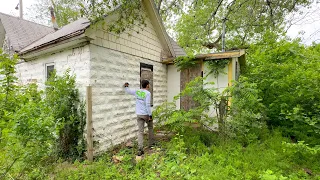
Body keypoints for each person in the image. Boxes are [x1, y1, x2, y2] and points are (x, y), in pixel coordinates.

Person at [124, 80, 154, 156]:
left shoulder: (137, 91)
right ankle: (151, 144)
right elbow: (147, 105)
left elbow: (128, 91)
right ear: (147, 85)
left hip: (139, 114)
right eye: (149, 85)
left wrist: (126, 86)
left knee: (140, 132)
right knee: (150, 128)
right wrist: (150, 115)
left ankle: (140, 149)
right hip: (146, 114)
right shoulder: (147, 93)